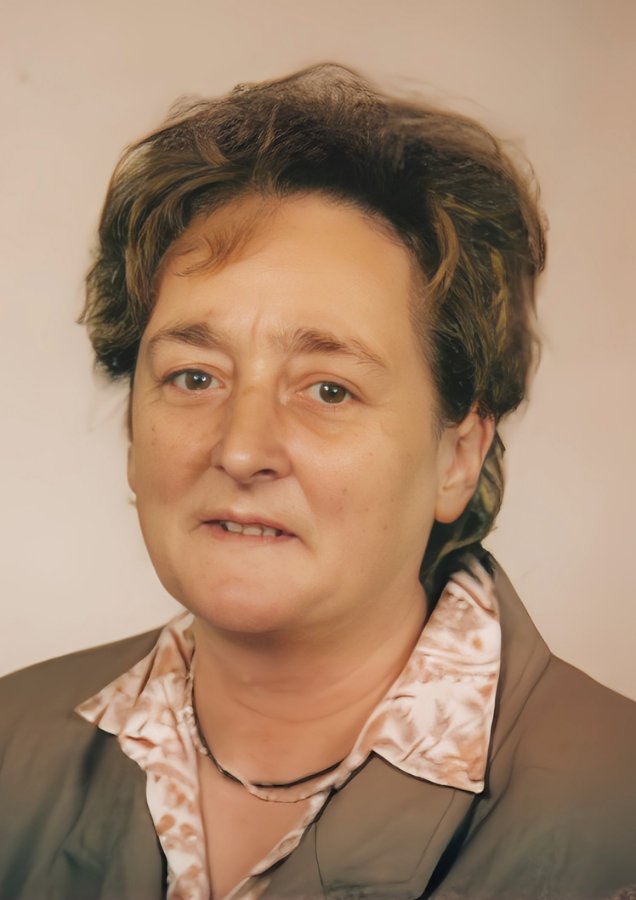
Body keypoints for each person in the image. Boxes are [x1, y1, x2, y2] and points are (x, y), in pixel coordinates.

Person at [0, 63, 634, 900]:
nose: (241, 450)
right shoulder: (9, 744)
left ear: (458, 456)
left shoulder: (617, 810)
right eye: (194, 377)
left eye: (328, 389)